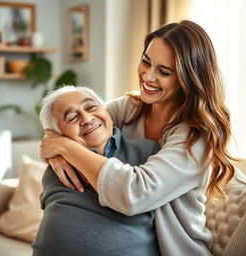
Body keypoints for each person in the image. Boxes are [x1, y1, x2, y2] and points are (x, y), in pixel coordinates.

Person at [40, 20, 235, 256]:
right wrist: (56, 152)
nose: (148, 77)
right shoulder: (129, 109)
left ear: (188, 79)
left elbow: (133, 194)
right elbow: (79, 123)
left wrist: (65, 148)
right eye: (146, 61)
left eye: (163, 72)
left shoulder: (196, 137)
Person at [32, 86, 161, 256]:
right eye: (72, 118)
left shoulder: (147, 152)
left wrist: (64, 147)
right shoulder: (59, 166)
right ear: (59, 135)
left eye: (91, 107)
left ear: (107, 112)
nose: (86, 119)